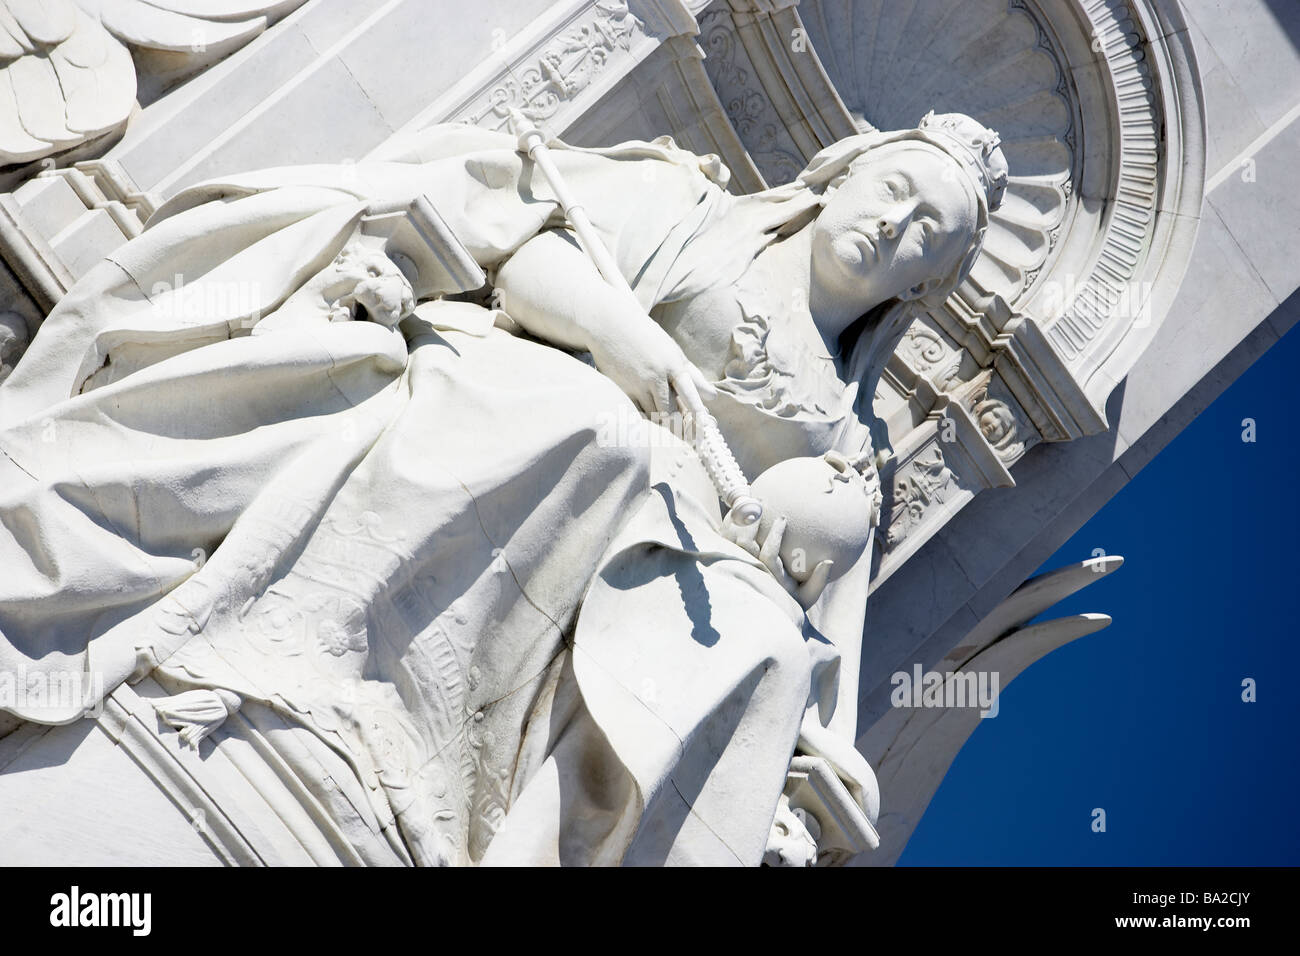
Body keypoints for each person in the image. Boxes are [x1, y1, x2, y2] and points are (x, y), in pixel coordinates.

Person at [0, 112, 1006, 865]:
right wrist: (620, 336)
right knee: (607, 437)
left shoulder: (845, 446)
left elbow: (819, 651)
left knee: (752, 650)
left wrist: (830, 762)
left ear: (929, 284)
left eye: (931, 231)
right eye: (895, 188)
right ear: (841, 173)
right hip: (531, 402)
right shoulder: (689, 214)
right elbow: (531, 257)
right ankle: (308, 677)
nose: (898, 222)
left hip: (643, 579)